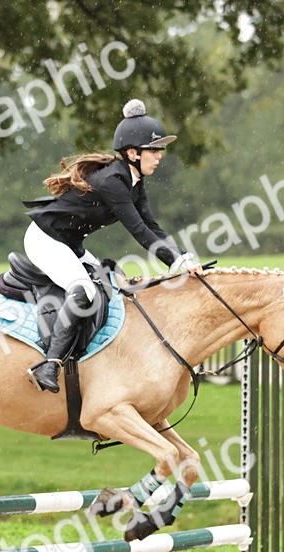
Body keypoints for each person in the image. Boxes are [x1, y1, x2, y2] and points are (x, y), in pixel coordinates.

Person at [21, 99, 201, 392]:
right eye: (154, 151)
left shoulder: (134, 181)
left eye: (160, 151)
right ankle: (49, 364)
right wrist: (176, 264)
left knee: (112, 283)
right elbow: (139, 231)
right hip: (45, 239)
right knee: (85, 290)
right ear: (132, 153)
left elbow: (153, 226)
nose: (159, 156)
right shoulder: (113, 183)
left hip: (69, 243)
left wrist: (183, 258)